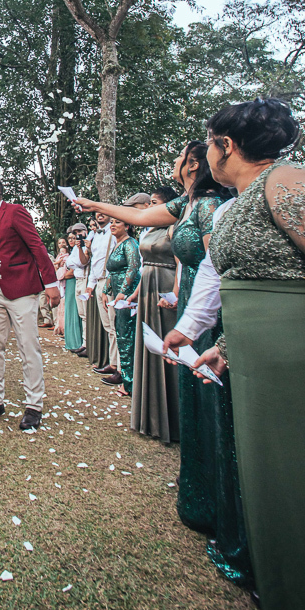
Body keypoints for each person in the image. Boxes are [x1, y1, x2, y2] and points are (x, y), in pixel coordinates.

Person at [165, 100, 305, 610]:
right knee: (272, 508)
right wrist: (225, 348)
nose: (205, 154)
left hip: (299, 370)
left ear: (224, 144)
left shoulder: (292, 182)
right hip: (256, 366)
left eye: (208, 143)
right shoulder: (240, 202)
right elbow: (253, 287)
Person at [75, 144, 243, 577]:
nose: (174, 162)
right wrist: (94, 203)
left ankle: (232, 518)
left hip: (213, 312)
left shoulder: (209, 205)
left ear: (191, 164)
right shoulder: (183, 203)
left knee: (215, 408)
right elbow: (139, 217)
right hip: (189, 302)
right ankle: (202, 502)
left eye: (182, 156)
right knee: (196, 404)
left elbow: (218, 268)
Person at [0, 177, 60, 431]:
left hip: (23, 289)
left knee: (28, 346)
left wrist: (51, 282)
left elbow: (36, 245)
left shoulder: (15, 212)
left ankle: (34, 406)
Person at [129, 186, 181, 443]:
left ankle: (173, 418)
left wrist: (176, 292)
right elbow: (144, 265)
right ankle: (149, 415)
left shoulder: (174, 226)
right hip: (147, 286)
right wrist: (137, 292)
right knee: (148, 345)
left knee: (167, 346)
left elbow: (181, 261)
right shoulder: (149, 230)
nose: (150, 207)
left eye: (155, 202)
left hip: (165, 286)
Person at [101, 219, 141, 396]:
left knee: (126, 336)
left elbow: (133, 267)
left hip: (127, 295)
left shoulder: (131, 243)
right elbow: (111, 271)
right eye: (112, 223)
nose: (113, 225)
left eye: (118, 222)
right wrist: (105, 290)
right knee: (120, 333)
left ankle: (129, 382)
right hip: (116, 293)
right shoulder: (117, 245)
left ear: (128, 226)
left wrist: (123, 291)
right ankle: (126, 377)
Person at [87, 214, 115, 372]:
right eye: (97, 212)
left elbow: (115, 260)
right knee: (107, 325)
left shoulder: (114, 232)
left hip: (109, 281)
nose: (99, 214)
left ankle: (116, 366)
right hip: (97, 282)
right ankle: (112, 362)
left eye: (102, 211)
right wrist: (90, 285)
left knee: (113, 324)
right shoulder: (96, 236)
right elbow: (95, 260)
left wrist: (107, 287)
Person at [63, 227, 89, 352]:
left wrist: (73, 263)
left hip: (84, 279)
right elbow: (70, 263)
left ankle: (86, 343)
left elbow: (80, 263)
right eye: (75, 234)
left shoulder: (85, 247)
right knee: (82, 314)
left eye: (79, 233)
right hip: (78, 280)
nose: (77, 236)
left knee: (86, 314)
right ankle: (83, 343)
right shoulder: (74, 249)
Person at [52, 237, 70, 335]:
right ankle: (58, 325)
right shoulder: (58, 256)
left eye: (63, 242)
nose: (62, 244)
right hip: (58, 280)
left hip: (64, 281)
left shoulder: (67, 256)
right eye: (60, 243)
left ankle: (64, 327)